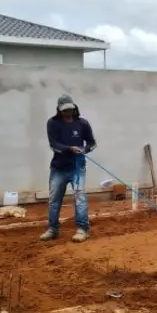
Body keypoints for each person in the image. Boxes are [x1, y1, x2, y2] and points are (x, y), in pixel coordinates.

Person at [40, 94, 97, 243]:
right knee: (54, 199)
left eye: (70, 109)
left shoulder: (82, 123)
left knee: (80, 198)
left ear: (74, 108)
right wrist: (69, 148)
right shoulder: (52, 123)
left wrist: (84, 149)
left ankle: (82, 229)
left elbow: (92, 143)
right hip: (58, 168)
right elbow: (54, 145)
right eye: (65, 110)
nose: (68, 112)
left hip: (77, 168)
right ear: (59, 110)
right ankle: (53, 229)